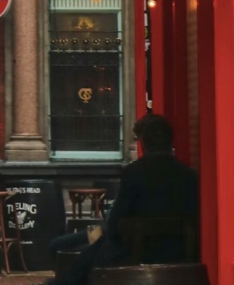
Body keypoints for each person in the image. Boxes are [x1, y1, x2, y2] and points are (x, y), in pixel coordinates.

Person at [47, 114, 199, 285]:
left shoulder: (134, 172)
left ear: (144, 142)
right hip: (179, 252)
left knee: (84, 262)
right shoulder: (188, 175)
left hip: (134, 253)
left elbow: (115, 224)